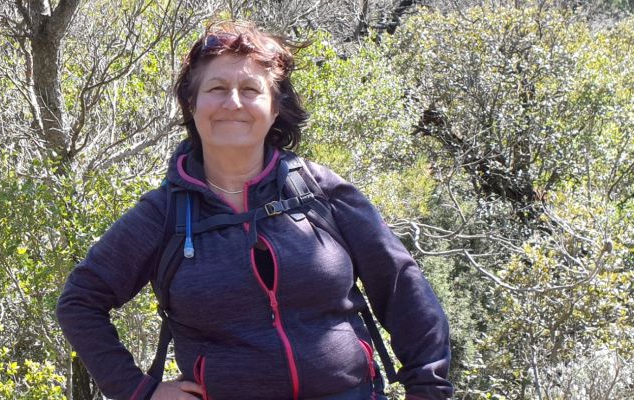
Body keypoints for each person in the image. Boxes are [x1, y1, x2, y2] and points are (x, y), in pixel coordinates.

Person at [54, 21, 454, 400]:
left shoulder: (321, 192)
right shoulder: (163, 214)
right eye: (216, 88)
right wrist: (138, 390)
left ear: (275, 108)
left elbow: (402, 286)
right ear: (191, 104)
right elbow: (80, 301)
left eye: (250, 89)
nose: (232, 102)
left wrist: (428, 388)